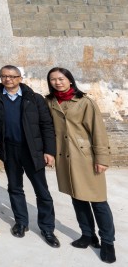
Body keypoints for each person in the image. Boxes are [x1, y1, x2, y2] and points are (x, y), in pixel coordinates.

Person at [46, 67, 116, 263]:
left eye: (61, 78)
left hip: (86, 158)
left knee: (98, 201)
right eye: (53, 79)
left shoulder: (85, 102)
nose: (57, 82)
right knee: (77, 198)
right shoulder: (50, 102)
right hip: (64, 158)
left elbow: (98, 131)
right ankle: (88, 235)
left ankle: (108, 242)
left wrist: (101, 159)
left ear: (70, 80)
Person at [0, 65, 60, 247]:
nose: (8, 79)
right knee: (15, 188)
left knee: (42, 191)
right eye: (4, 76)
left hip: (32, 150)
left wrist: (49, 151)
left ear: (20, 78)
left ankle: (47, 228)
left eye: (12, 76)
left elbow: (47, 125)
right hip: (9, 149)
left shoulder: (34, 98)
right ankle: (21, 222)